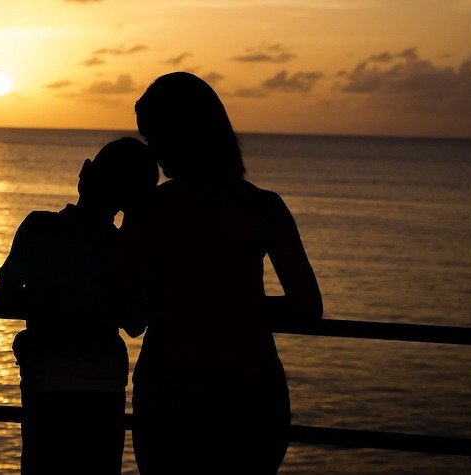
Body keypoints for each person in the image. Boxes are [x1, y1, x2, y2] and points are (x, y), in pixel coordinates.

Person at [113, 72, 323, 474]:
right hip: (253, 395)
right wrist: (237, 308)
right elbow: (308, 307)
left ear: (177, 136)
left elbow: (127, 312)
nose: (153, 154)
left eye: (154, 138)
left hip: (170, 397)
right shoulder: (265, 207)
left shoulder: (148, 210)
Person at [0, 137, 158, 474]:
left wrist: (50, 313)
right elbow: (135, 323)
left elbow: (5, 295)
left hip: (45, 374)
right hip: (103, 381)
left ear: (84, 172)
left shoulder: (38, 227)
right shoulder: (124, 248)